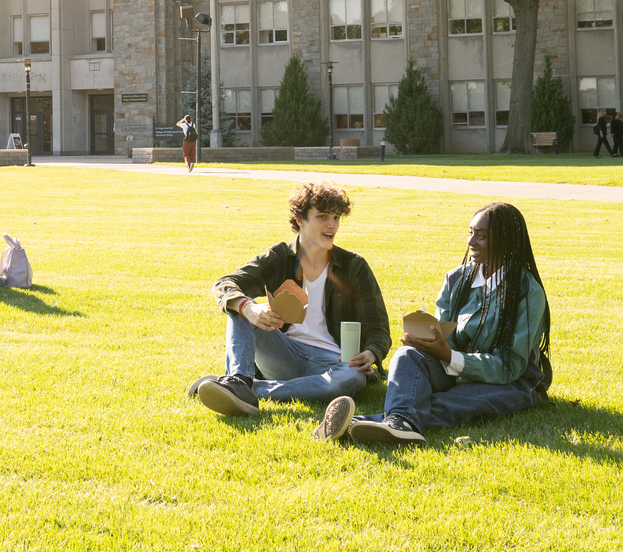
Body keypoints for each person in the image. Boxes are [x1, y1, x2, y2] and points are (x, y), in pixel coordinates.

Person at [189, 182, 391, 438]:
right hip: (283, 353)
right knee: (240, 305)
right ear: (300, 219)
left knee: (352, 379)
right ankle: (239, 381)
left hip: (334, 362)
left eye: (336, 218)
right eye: (322, 217)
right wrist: (249, 309)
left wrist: (372, 353)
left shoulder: (354, 266)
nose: (332, 225)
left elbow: (379, 327)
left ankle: (248, 389)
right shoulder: (279, 257)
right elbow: (225, 285)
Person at [345, 201, 553, 445]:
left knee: (453, 402)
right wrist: (428, 343)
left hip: (510, 384)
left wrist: (451, 357)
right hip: (453, 370)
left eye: (482, 236)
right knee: (405, 355)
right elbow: (446, 335)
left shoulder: (526, 292)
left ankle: (367, 423)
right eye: (470, 232)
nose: (471, 242)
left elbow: (511, 366)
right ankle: (395, 424)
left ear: (506, 242)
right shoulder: (456, 279)